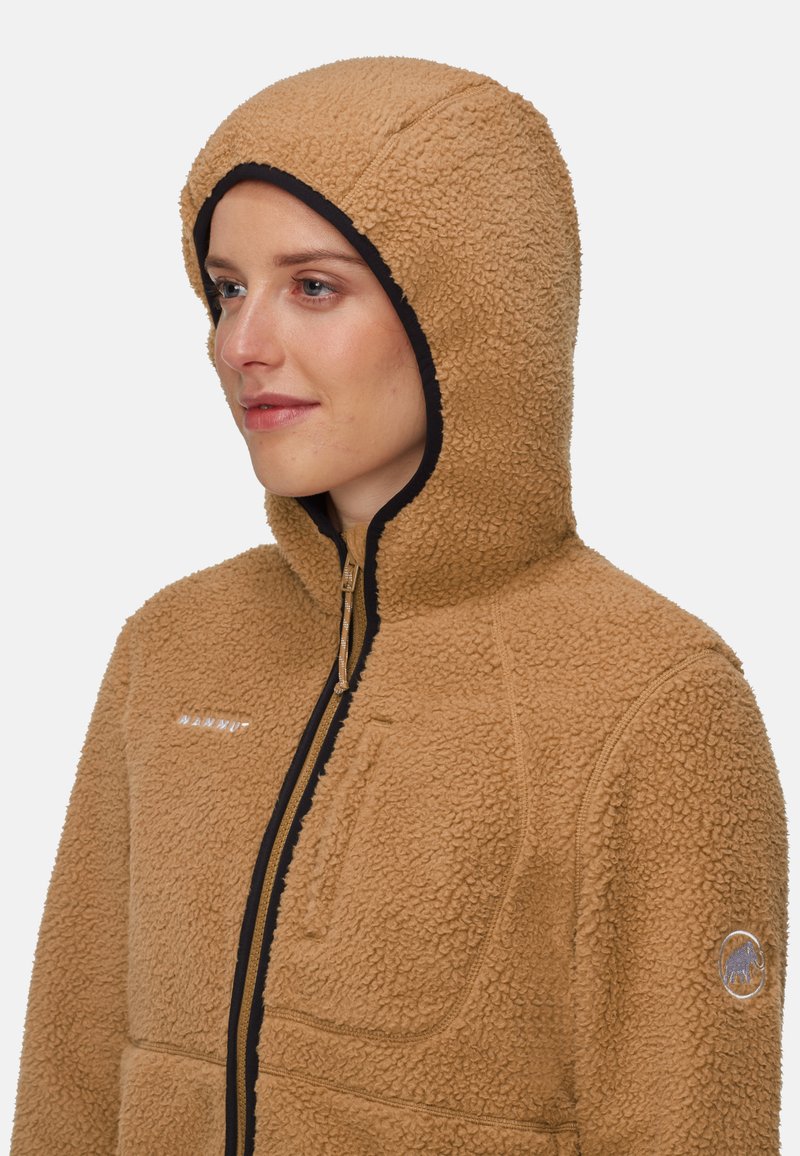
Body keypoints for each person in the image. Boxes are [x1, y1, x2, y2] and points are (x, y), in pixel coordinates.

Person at [10, 56, 788, 1156]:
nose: (241, 344)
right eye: (227, 288)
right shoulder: (173, 647)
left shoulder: (651, 699)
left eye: (312, 287)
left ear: (469, 309)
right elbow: (71, 1080)